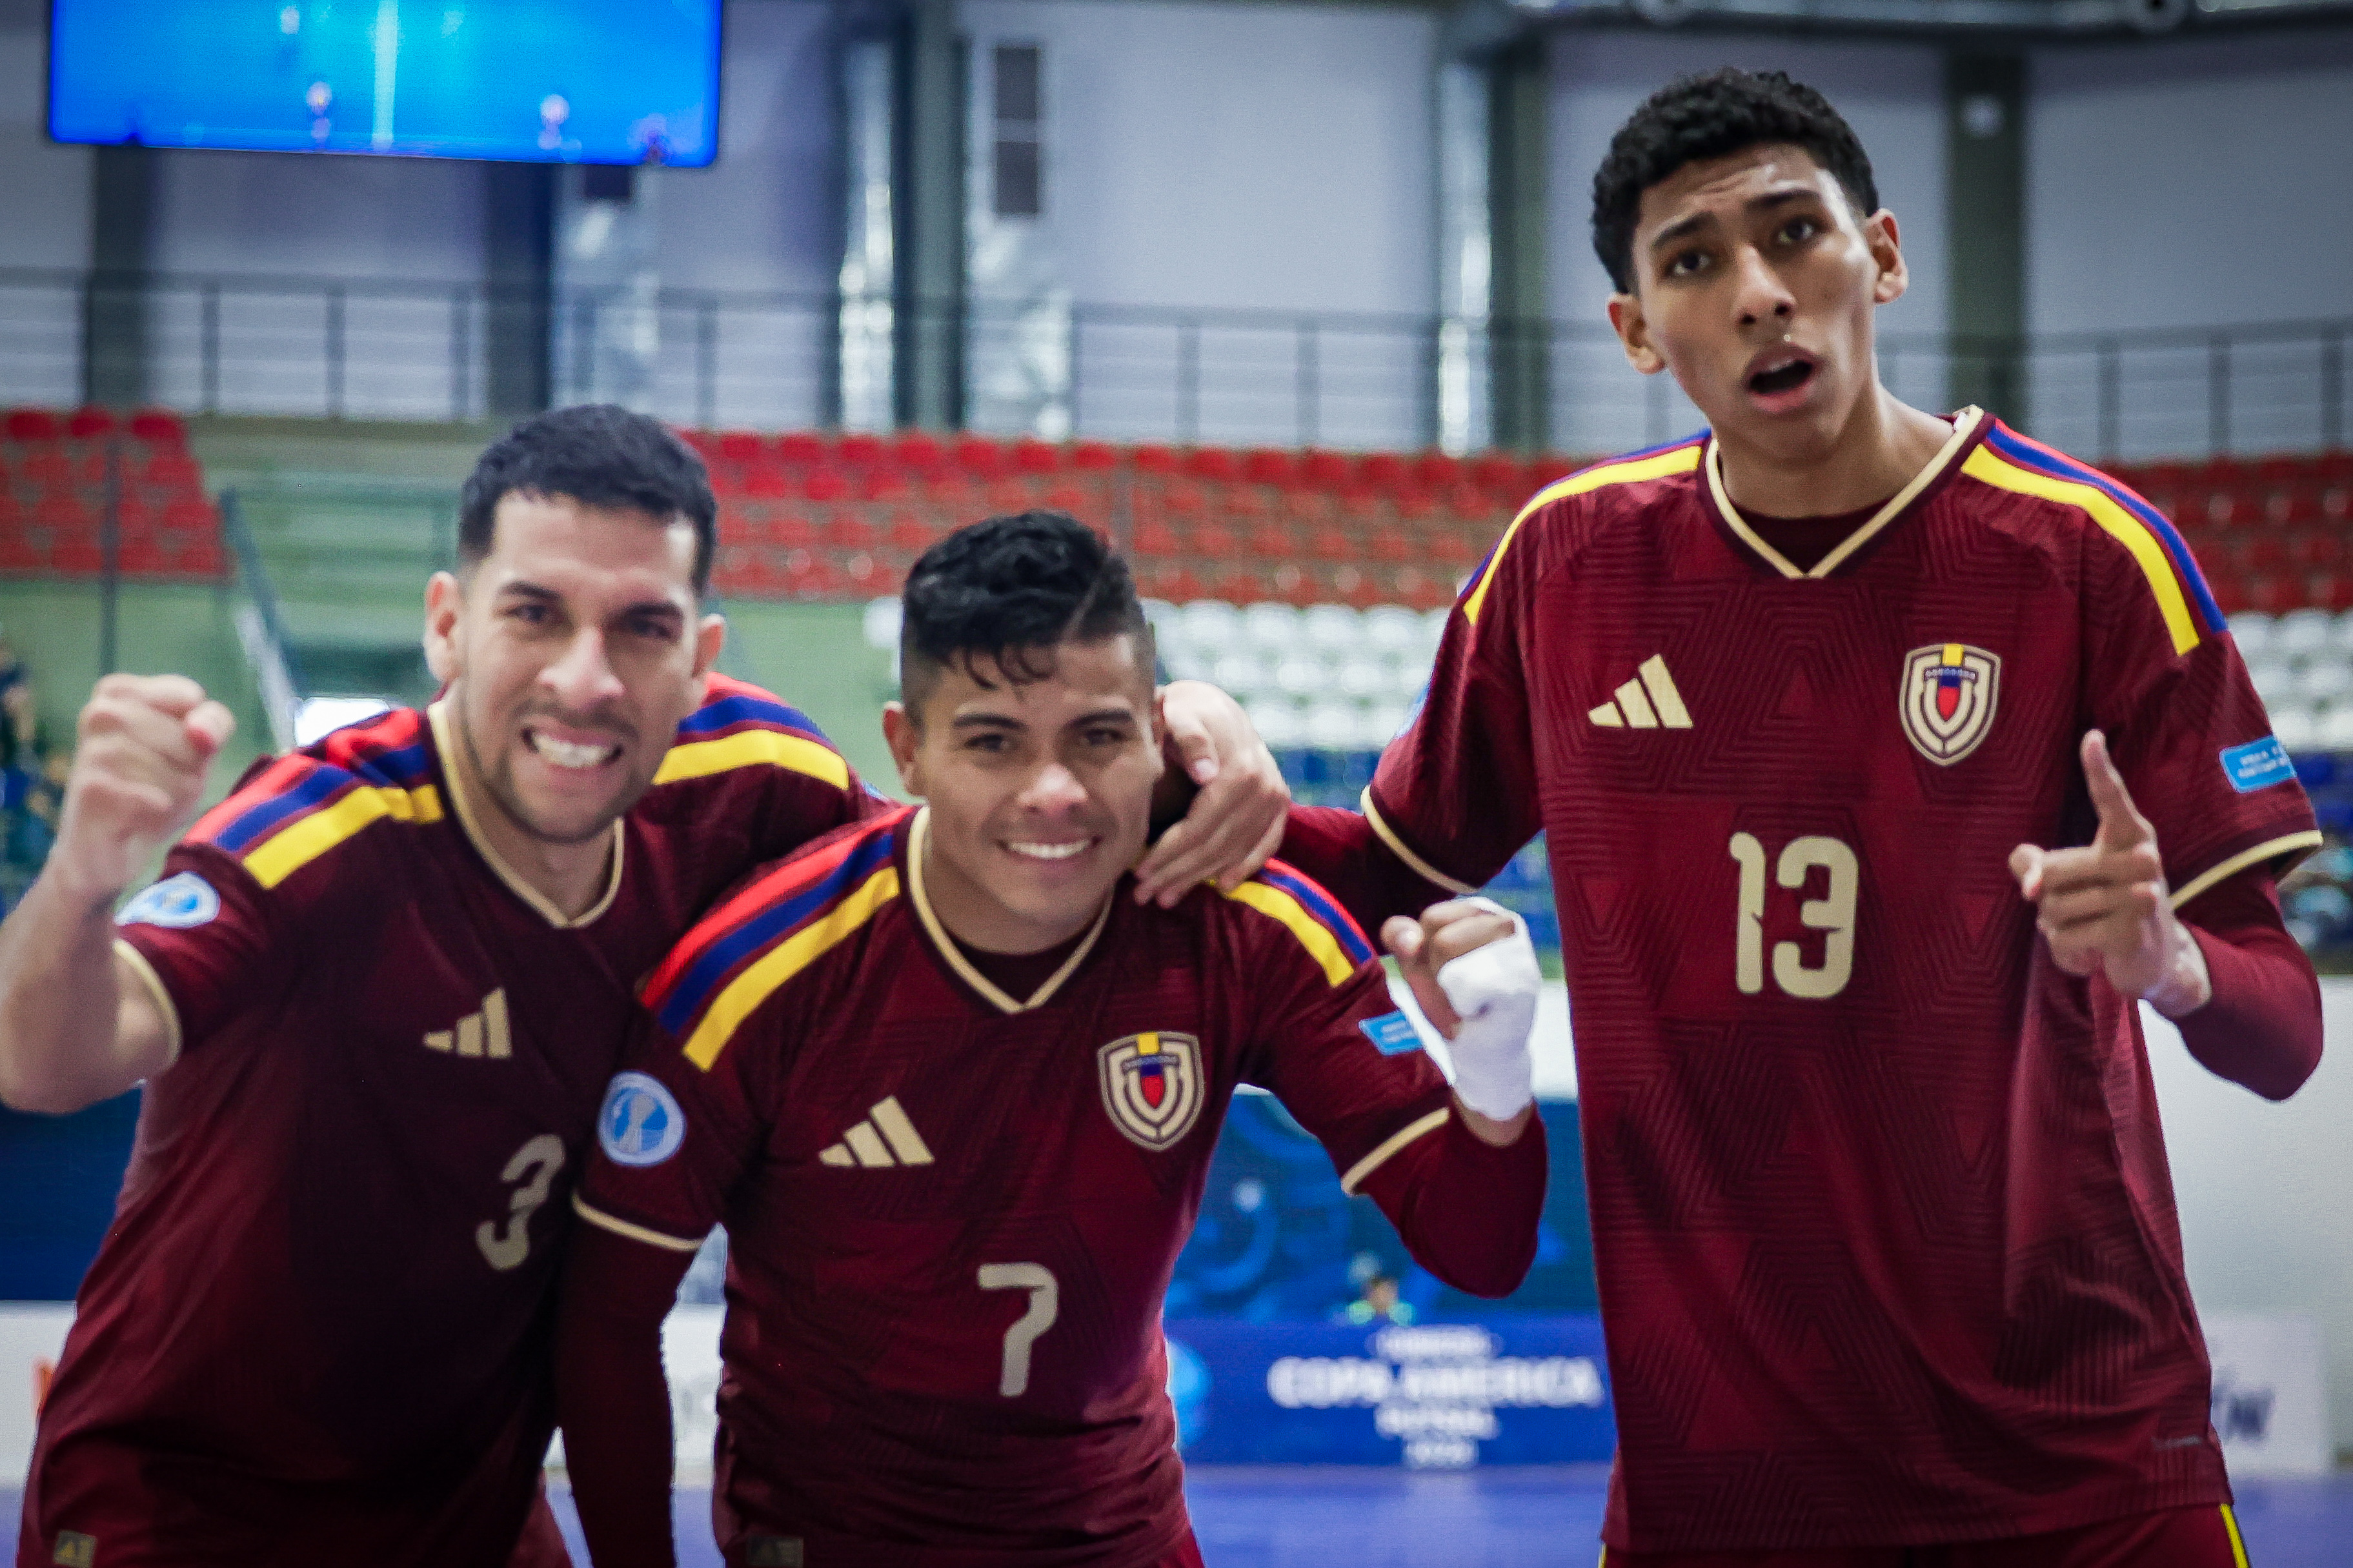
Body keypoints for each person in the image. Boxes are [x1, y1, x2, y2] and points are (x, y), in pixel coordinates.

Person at [1277, 69, 2323, 1567]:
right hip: (1720, 1485)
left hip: (2078, 1478)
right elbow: (1376, 871)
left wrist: (2172, 965)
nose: (1760, 294)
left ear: (1880, 256)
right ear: (1638, 332)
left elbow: (2284, 1033)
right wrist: (1197, 787)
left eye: (1794, 235)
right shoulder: (1564, 568)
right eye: (1693, 262)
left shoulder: (2087, 558)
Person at [0, 408, 1286, 1568]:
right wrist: (82, 878)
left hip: (476, 1496)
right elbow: (48, 1061)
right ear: (447, 624)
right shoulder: (324, 833)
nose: (585, 679)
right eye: (534, 615)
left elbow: (993, 858)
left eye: (640, 628)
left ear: (698, 654)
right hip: (200, 1503)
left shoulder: (757, 778)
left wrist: (1181, 721)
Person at [552, 512, 1550, 1567]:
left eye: (1098, 737)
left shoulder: (1249, 934)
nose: (1055, 792)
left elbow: (1478, 1252)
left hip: (1118, 1539)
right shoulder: (760, 973)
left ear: (1156, 737)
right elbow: (606, 1316)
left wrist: (1490, 1071)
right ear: (908, 750)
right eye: (992, 741)